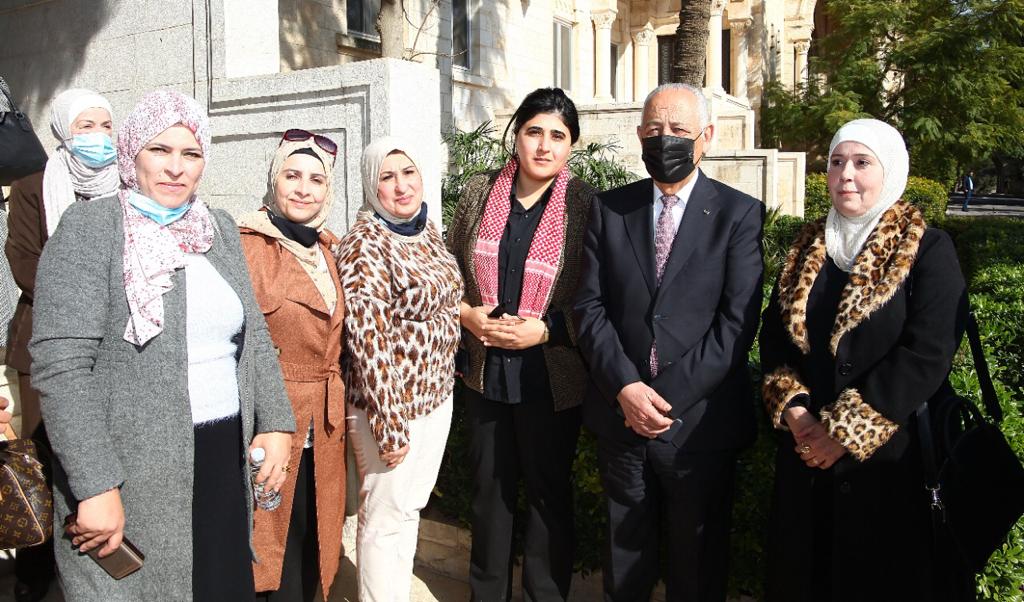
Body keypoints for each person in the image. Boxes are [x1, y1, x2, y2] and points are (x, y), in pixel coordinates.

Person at [29, 90, 295, 601]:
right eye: (160, 150)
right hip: (130, 470)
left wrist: (277, 421)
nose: (176, 167)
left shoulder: (216, 228)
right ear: (133, 152)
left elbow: (254, 336)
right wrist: (95, 483)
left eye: (190, 153)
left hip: (221, 458)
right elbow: (62, 368)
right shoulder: (92, 228)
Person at [759, 118, 973, 601]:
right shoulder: (806, 248)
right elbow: (774, 343)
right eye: (837, 162)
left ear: (890, 171)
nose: (846, 176)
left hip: (891, 471)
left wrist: (842, 431)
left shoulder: (926, 248)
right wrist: (796, 413)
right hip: (807, 467)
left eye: (861, 162)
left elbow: (928, 351)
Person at [573, 82, 764, 602]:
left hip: (699, 427)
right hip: (622, 420)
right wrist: (626, 389)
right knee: (624, 564)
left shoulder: (739, 214)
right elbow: (589, 307)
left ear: (707, 137)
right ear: (639, 135)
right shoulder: (610, 209)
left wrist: (662, 400)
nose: (665, 139)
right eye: (655, 129)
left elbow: (735, 325)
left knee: (697, 568)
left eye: (679, 129)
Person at [446, 87, 595, 601]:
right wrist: (466, 315)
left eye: (558, 135)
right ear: (517, 136)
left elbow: (599, 296)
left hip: (550, 377)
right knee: (489, 496)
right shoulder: (479, 191)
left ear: (571, 144)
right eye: (534, 131)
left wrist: (547, 329)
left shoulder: (585, 205)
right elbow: (446, 269)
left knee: (549, 497)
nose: (544, 145)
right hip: (484, 373)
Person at [4, 87, 119, 602]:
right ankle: (36, 579)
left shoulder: (127, 184)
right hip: (44, 345)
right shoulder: (35, 185)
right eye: (85, 126)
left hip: (112, 345)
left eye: (105, 125)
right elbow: (24, 260)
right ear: (62, 131)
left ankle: (97, 567)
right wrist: (89, 295)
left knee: (98, 461)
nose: (98, 136)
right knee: (46, 461)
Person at [338, 136, 463, 602]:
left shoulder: (424, 228)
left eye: (408, 172)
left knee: (409, 510)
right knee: (384, 519)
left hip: (434, 399)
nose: (401, 186)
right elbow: (367, 339)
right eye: (387, 177)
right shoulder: (364, 243)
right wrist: (390, 425)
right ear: (371, 185)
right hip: (389, 409)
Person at [239, 129, 346, 602]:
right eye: (292, 176)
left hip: (324, 426)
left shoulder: (329, 250)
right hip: (270, 422)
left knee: (311, 538)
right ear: (273, 180)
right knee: (265, 543)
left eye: (316, 180)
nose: (304, 189)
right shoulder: (246, 245)